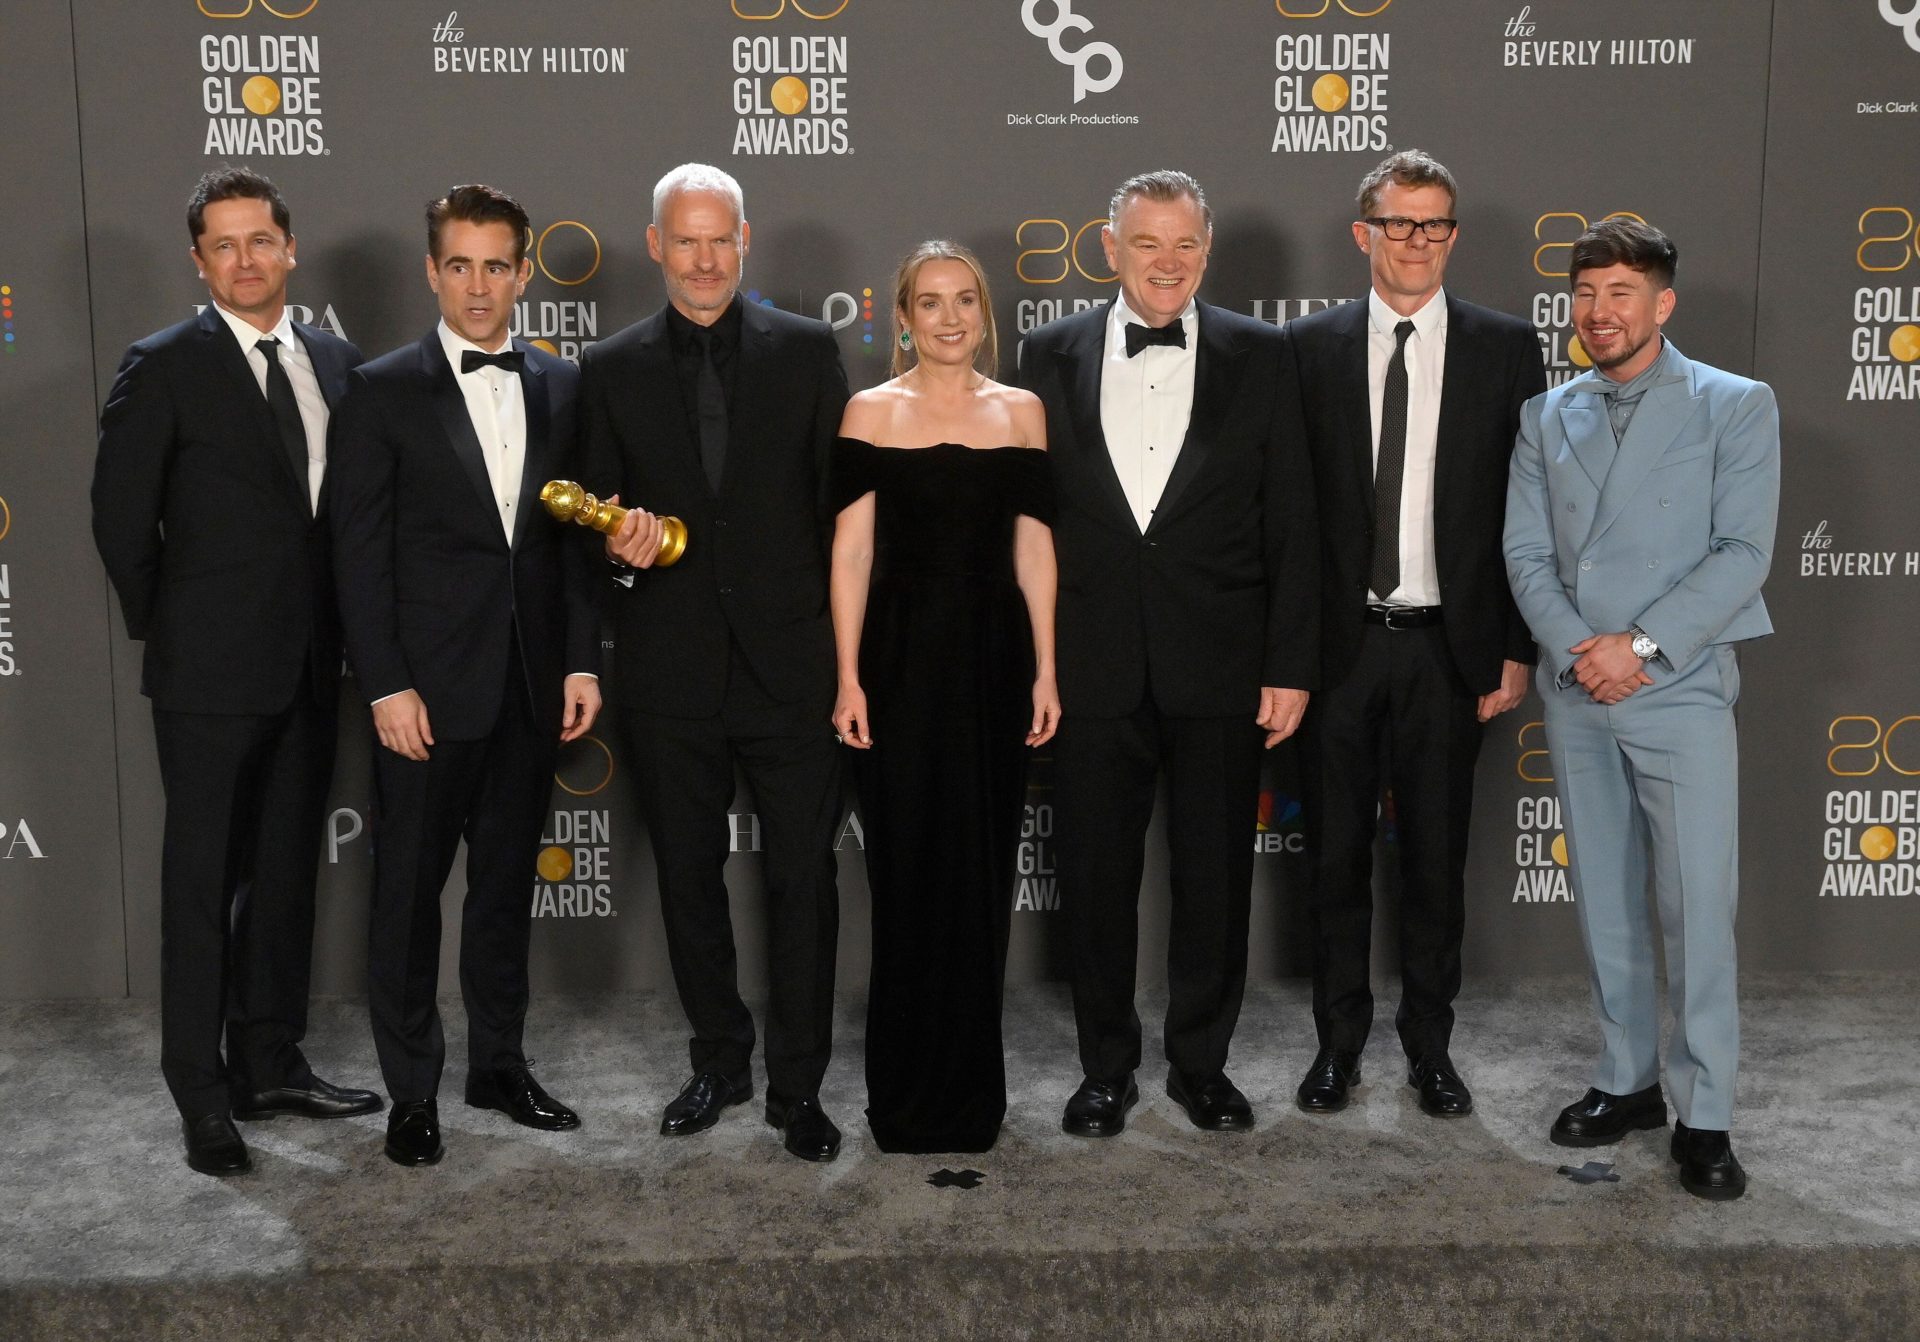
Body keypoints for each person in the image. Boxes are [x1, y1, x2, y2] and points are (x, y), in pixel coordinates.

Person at [91, 166, 380, 1177]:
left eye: (262, 240)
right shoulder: (162, 364)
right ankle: (201, 1092)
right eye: (225, 243)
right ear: (199, 260)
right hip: (208, 676)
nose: (247, 259)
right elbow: (122, 524)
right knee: (204, 881)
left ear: (290, 248)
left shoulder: (341, 363)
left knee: (289, 872)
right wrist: (176, 632)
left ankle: (268, 1060)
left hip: (311, 667)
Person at [1018, 170, 1317, 1138]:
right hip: (1092, 665)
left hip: (1222, 665)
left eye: (1186, 244)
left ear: (1207, 249)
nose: (1168, 263)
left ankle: (1202, 1065)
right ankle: (1105, 1068)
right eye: (1148, 244)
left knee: (1215, 880)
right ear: (1109, 249)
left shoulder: (1263, 353)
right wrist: (1036, 659)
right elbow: (1029, 522)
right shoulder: (1048, 352)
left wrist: (1289, 663)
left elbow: (1295, 525)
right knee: (1097, 884)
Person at [580, 164, 851, 1162]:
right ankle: (720, 1061)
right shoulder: (607, 368)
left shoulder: (812, 350)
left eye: (719, 239)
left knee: (803, 881)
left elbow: (844, 517)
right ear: (656, 245)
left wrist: (848, 662)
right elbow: (589, 518)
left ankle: (798, 1086)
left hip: (793, 666)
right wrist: (615, 546)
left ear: (746, 240)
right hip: (670, 667)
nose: (703, 259)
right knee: (690, 875)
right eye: (684, 241)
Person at [1504, 218, 1778, 1200]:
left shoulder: (1734, 406)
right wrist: (1585, 651)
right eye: (1584, 294)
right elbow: (1526, 555)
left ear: (1662, 303)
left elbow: (1742, 553)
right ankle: (1628, 1082)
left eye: (1620, 292)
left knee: (1695, 906)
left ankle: (1705, 1113)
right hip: (1580, 687)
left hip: (1682, 687)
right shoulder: (1547, 416)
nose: (1598, 313)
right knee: (1609, 901)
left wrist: (1642, 648)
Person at [328, 184, 601, 1166]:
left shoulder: (566, 385)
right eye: (459, 265)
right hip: (425, 696)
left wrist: (577, 658)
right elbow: (356, 554)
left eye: (497, 266)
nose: (478, 286)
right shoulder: (381, 387)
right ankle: (412, 1089)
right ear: (430, 271)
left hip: (530, 682)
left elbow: (568, 544)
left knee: (500, 891)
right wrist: (387, 683)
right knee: (405, 893)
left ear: (524, 273)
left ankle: (498, 1062)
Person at [1277, 150, 1545, 1120]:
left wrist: (1515, 645)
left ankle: (1431, 1048)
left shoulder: (1506, 348)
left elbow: (1529, 509)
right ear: (1365, 233)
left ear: (1453, 237)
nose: (1416, 242)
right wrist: (1288, 658)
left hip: (1450, 648)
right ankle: (1337, 1047)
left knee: (1435, 864)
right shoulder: (1307, 350)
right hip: (1339, 650)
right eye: (1398, 223)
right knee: (1335, 861)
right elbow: (1291, 518)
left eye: (1434, 225)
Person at [828, 241, 1058, 1153]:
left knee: (977, 876)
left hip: (994, 665)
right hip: (895, 663)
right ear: (902, 316)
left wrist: (1046, 667)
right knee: (907, 877)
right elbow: (851, 554)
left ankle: (970, 1101)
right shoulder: (869, 413)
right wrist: (847, 675)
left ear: (985, 315)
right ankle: (904, 1100)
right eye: (931, 303)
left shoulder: (1025, 413)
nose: (951, 318)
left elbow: (1034, 550)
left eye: (966, 301)